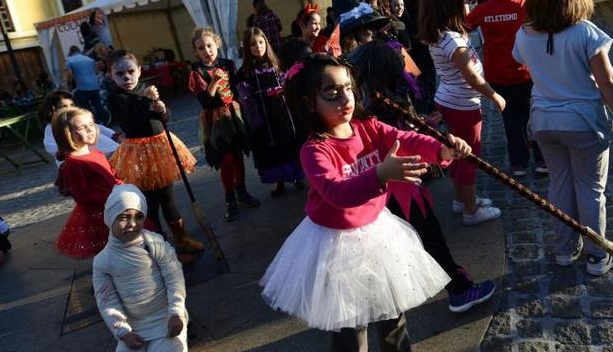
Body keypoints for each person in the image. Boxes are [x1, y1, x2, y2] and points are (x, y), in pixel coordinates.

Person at [261, 54, 471, 350]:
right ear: (310, 103)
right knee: (350, 327)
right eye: (331, 94)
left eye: (347, 88)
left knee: (392, 315)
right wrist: (380, 175)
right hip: (335, 246)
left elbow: (406, 139)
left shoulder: (368, 127)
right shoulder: (315, 150)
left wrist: (443, 149)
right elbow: (338, 193)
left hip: (378, 234)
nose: (344, 98)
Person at [350, 42, 496, 313]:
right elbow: (401, 142)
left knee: (420, 240)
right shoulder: (377, 111)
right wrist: (435, 147)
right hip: (399, 191)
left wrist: (432, 137)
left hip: (391, 190)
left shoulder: (373, 106)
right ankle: (459, 289)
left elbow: (407, 136)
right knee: (429, 239)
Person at [512, 0, 613, 276]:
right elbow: (608, 80)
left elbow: (523, 63)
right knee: (590, 189)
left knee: (560, 185)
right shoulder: (586, 33)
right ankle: (596, 255)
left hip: (544, 121)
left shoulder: (524, 34)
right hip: (582, 121)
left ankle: (565, 250)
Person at [418, 0, 504, 226]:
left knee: (458, 152)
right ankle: (470, 209)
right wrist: (494, 95)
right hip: (462, 105)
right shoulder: (453, 41)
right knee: (469, 156)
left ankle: (461, 199)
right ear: (450, 6)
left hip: (449, 100)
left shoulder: (440, 36)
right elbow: (473, 77)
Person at [106, 50, 204, 253]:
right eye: (120, 74)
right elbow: (131, 122)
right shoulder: (116, 98)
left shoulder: (145, 90)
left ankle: (181, 237)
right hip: (138, 151)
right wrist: (148, 102)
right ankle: (159, 244)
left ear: (139, 71)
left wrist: (160, 107)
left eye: (130, 71)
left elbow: (164, 117)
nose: (126, 77)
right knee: (150, 201)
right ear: (111, 76)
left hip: (160, 146)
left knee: (167, 197)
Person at [465, 0, 545, 177]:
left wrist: (466, 5)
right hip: (526, 74)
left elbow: (463, 26)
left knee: (510, 120)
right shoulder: (523, 7)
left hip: (498, 77)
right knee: (533, 117)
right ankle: (542, 160)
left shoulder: (481, 11)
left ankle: (518, 163)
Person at [93, 184, 189, 352]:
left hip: (165, 318)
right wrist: (123, 332)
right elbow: (107, 301)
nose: (132, 223)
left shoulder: (154, 243)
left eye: (139, 217)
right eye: (123, 217)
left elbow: (174, 278)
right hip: (133, 328)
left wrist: (176, 312)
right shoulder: (102, 261)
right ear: (110, 217)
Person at [188, 28, 259, 221]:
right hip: (215, 120)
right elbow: (205, 100)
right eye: (201, 48)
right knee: (225, 160)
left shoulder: (228, 64)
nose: (206, 51)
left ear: (217, 44)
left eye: (209, 45)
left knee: (238, 157)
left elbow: (237, 87)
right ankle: (230, 200)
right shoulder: (197, 71)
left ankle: (242, 192)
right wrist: (214, 82)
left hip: (234, 115)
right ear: (196, 52)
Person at [235, 28, 305, 198]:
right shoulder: (245, 72)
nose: (258, 47)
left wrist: (284, 89)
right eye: (253, 44)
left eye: (260, 42)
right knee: (268, 148)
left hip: (282, 113)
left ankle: (295, 176)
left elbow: (288, 82)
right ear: (247, 48)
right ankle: (277, 180)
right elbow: (243, 96)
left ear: (266, 42)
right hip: (261, 116)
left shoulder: (277, 64)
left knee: (288, 143)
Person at [52, 107, 120, 259]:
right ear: (67, 134)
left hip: (114, 204)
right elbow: (82, 196)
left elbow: (110, 175)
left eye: (91, 124)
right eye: (82, 128)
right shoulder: (74, 164)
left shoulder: (95, 152)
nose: (90, 130)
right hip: (99, 214)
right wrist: (110, 197)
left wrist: (120, 185)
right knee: (109, 251)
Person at [400, 0, 436, 114]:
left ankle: (434, 109)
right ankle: (424, 111)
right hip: (416, 45)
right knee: (420, 80)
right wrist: (417, 37)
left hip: (430, 41)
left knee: (432, 78)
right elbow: (407, 22)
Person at [39, 90, 120, 160]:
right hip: (84, 158)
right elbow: (50, 146)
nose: (69, 109)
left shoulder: (79, 119)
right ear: (53, 109)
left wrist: (115, 135)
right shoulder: (52, 127)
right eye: (64, 106)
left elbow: (99, 128)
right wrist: (71, 152)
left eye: (72, 105)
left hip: (109, 150)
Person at [66, 45, 108, 123]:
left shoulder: (69, 60)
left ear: (71, 52)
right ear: (79, 51)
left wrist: (69, 86)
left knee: (84, 106)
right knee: (97, 104)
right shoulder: (89, 59)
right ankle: (103, 121)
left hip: (82, 87)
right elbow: (96, 71)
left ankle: (92, 121)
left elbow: (69, 75)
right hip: (95, 85)